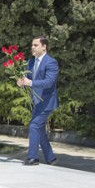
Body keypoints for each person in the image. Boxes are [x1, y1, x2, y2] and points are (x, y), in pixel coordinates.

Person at [17, 36, 59, 166]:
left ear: (44, 46)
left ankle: (33, 158)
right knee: (39, 129)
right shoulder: (30, 62)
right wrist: (21, 82)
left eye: (36, 45)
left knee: (34, 126)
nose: (32, 47)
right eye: (32, 45)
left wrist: (31, 82)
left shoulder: (51, 62)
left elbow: (48, 82)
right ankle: (50, 158)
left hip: (46, 102)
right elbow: (28, 79)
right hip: (36, 101)